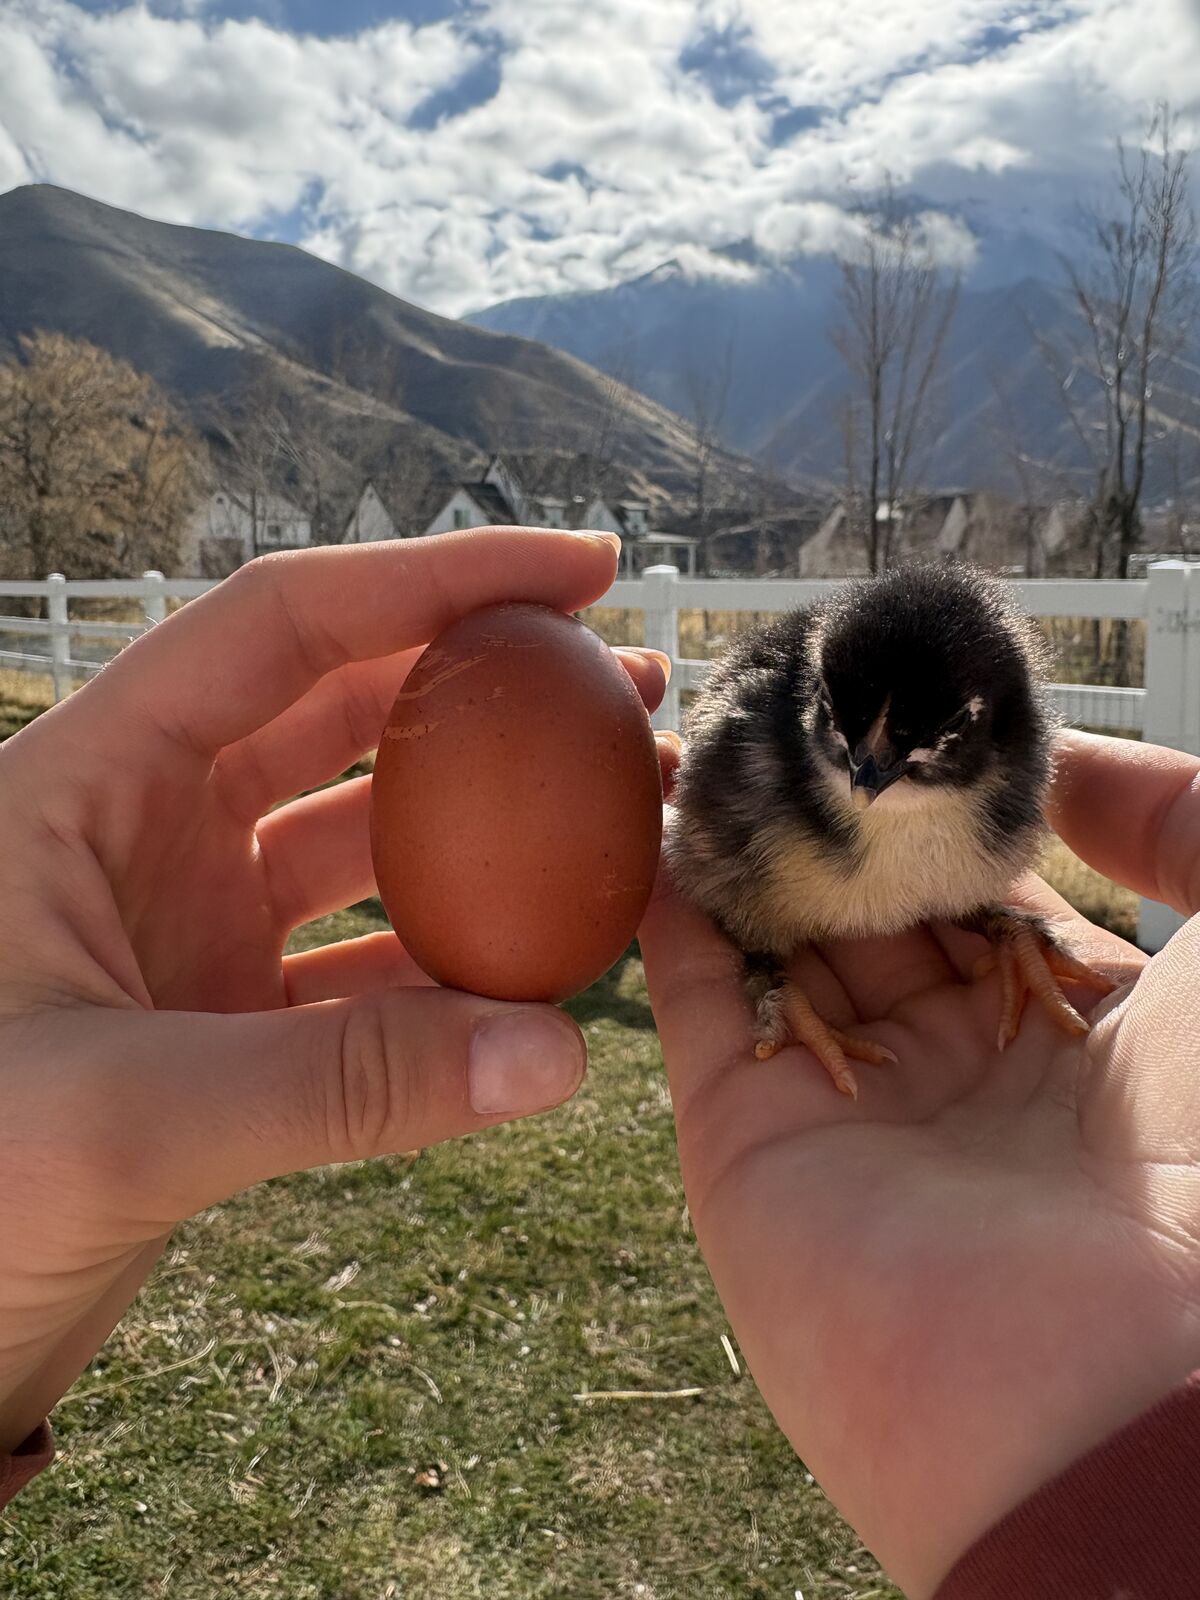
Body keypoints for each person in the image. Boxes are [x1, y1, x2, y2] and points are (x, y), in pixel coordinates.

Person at [0, 530, 1197, 1598]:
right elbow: (721, 852)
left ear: (993, 735)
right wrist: (768, 973)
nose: (868, 772)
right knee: (772, 886)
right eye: (841, 735)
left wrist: (997, 913)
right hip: (787, 904)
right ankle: (789, 973)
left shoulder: (1003, 790)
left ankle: (996, 930)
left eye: (915, 747)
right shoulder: (772, 768)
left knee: (964, 889)